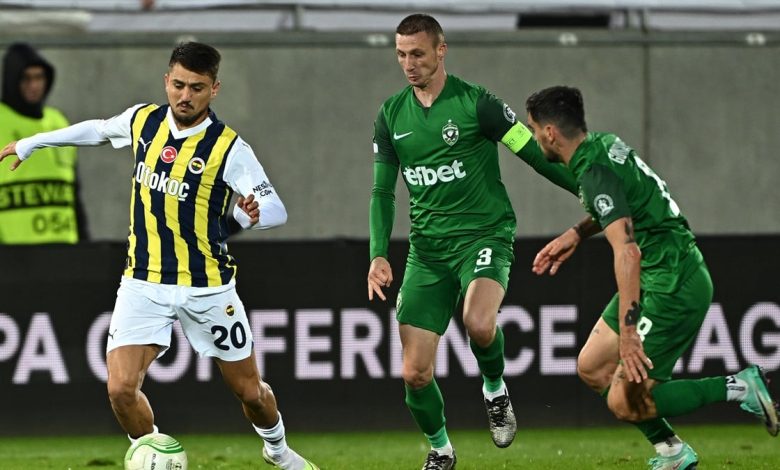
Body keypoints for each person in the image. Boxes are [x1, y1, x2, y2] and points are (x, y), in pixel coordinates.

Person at [0, 42, 318, 470]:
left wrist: (247, 218)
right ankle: (153, 454)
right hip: (143, 281)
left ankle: (278, 451)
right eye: (179, 85)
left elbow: (275, 209)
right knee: (120, 390)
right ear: (167, 80)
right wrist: (32, 144)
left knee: (250, 393)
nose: (185, 96)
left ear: (214, 90)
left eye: (197, 88)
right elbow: (97, 130)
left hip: (207, 287)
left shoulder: (229, 149)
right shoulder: (143, 121)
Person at [526, 85, 779, 470]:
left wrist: (629, 333)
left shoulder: (593, 171)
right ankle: (672, 452)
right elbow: (623, 206)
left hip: (673, 282)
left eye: (532, 129)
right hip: (657, 272)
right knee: (592, 365)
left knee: (623, 402)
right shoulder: (602, 146)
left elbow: (628, 251)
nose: (532, 137)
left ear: (549, 133)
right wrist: (577, 233)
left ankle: (740, 386)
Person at [367, 14, 578, 470]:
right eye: (401, 54)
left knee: (479, 323)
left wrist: (587, 189)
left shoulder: (478, 104)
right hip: (428, 252)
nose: (408, 64)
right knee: (414, 372)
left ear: (441, 51)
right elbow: (383, 192)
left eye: (417, 53)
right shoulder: (390, 115)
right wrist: (378, 254)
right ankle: (441, 450)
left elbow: (533, 154)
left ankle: (495, 389)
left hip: (485, 235)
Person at [0, 42, 88, 243]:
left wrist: (84, 242)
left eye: (39, 77)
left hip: (63, 246)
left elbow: (73, 191)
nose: (34, 86)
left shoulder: (58, 122)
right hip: (13, 250)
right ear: (12, 80)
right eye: (26, 78)